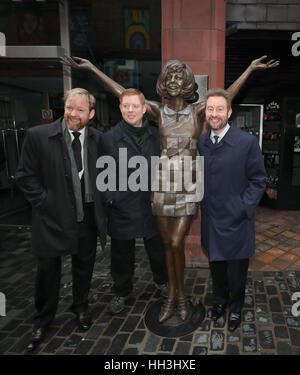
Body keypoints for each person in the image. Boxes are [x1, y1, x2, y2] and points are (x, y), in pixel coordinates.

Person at [61, 55, 278, 323]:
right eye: (169, 77)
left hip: (187, 184)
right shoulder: (158, 111)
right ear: (163, 83)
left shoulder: (198, 111)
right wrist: (94, 69)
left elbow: (226, 96)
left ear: (187, 83)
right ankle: (173, 299)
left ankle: (182, 297)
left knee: (176, 242)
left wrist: (249, 69)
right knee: (167, 246)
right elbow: (125, 95)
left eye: (179, 77)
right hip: (162, 184)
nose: (173, 81)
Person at [15, 88, 107, 351]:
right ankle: (43, 320)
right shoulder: (38, 136)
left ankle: (80, 308)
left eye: (80, 110)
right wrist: (44, 202)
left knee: (83, 267)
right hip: (50, 219)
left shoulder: (98, 140)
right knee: (47, 272)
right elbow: (25, 176)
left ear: (91, 114)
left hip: (86, 217)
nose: (72, 114)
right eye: (69, 108)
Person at [197, 88, 266, 332]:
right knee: (216, 269)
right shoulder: (202, 142)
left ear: (229, 112)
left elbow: (259, 180)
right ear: (205, 113)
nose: (214, 114)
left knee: (237, 274)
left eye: (219, 109)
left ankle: (235, 308)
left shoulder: (246, 143)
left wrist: (242, 207)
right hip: (211, 221)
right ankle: (219, 302)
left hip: (236, 222)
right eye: (210, 109)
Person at [98, 88, 168, 314]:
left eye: (135, 106)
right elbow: (101, 173)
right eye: (125, 106)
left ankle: (162, 282)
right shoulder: (108, 139)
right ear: (120, 108)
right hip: (122, 208)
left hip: (152, 206)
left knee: (158, 250)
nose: (130, 110)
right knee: (121, 255)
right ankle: (121, 292)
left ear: (144, 109)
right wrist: (111, 199)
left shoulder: (157, 136)